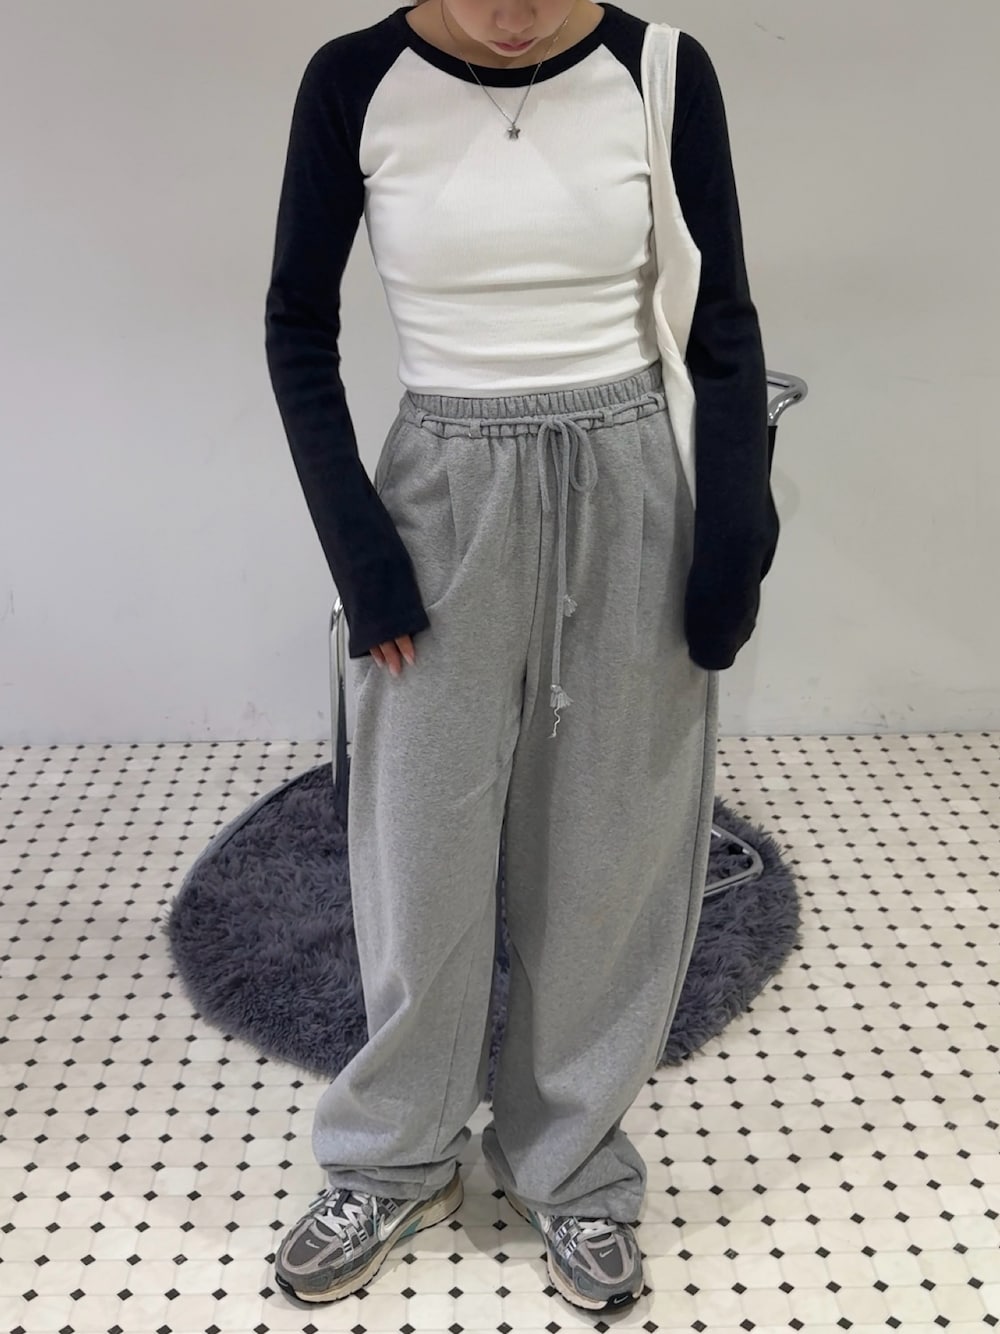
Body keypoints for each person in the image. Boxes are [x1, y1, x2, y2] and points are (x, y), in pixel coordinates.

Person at [263, 0, 778, 1314]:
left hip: (630, 491)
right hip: (438, 496)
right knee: (416, 846)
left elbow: (723, 327)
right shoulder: (354, 82)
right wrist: (362, 554)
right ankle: (394, 1159)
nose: (511, 16)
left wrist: (734, 538)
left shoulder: (661, 73)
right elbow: (296, 327)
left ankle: (573, 1162)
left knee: (611, 846)